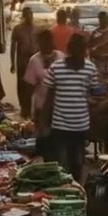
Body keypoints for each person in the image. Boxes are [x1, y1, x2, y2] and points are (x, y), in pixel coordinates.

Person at [44, 33, 100, 182]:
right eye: (74, 49)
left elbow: (94, 95)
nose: (76, 53)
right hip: (60, 125)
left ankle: (76, 194)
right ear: (69, 49)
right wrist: (43, 122)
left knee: (77, 164)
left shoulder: (91, 69)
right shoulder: (56, 68)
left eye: (80, 49)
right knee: (62, 167)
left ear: (84, 50)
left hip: (80, 126)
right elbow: (49, 98)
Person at [23, 29, 63, 159]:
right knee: (44, 145)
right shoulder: (34, 61)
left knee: (58, 144)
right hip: (42, 110)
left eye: (46, 41)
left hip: (60, 109)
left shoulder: (61, 57)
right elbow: (28, 88)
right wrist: (27, 110)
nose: (43, 45)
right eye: (41, 42)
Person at [10, 6, 37, 118]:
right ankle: (23, 108)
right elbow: (13, 47)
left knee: (32, 87)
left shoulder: (36, 29)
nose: (30, 17)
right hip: (22, 62)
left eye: (31, 14)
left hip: (34, 62)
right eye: (28, 15)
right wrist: (12, 63)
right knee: (22, 86)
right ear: (24, 16)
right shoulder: (18, 29)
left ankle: (29, 108)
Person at [88, 12, 108, 91]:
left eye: (107, 19)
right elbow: (89, 48)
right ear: (100, 20)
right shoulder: (95, 33)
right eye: (104, 19)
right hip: (97, 64)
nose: (106, 21)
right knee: (98, 87)